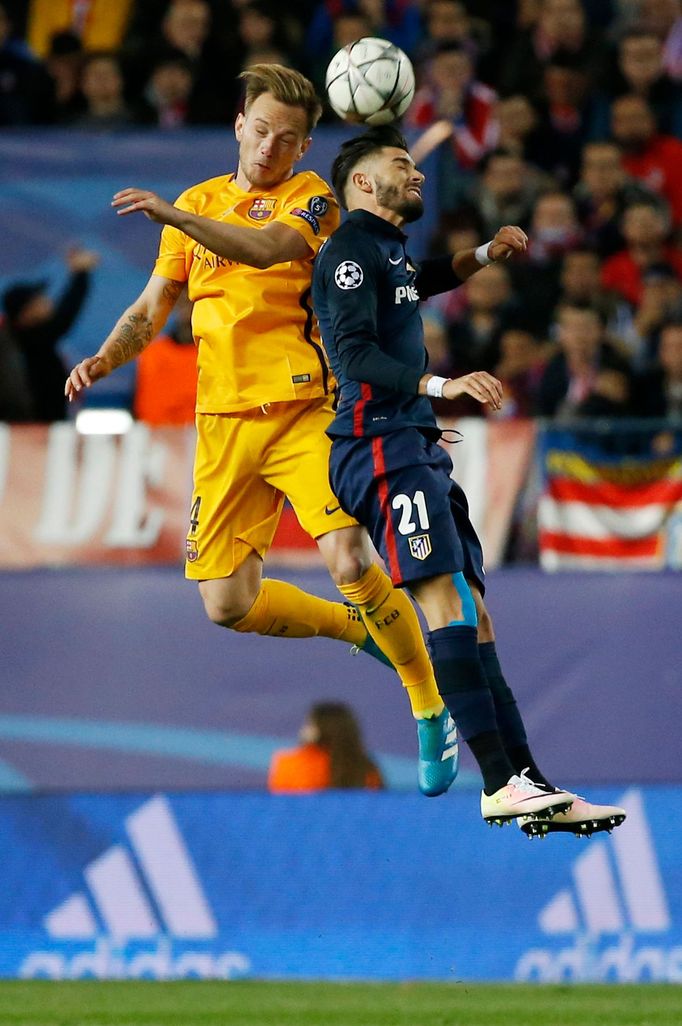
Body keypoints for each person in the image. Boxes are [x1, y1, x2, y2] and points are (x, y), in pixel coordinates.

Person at [64, 64, 457, 799]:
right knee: (227, 603)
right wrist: (104, 357)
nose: (271, 147)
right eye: (262, 130)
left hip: (303, 411)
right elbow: (152, 311)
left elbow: (269, 250)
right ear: (240, 126)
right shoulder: (197, 202)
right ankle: (358, 631)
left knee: (346, 553)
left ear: (306, 148)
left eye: (288, 138)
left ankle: (430, 702)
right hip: (223, 426)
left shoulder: (311, 201)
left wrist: (177, 220)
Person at [311, 123, 626, 837]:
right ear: (362, 183)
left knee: (476, 617)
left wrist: (484, 254)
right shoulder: (349, 253)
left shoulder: (386, 251)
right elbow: (353, 356)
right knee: (443, 607)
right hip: (378, 447)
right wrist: (438, 381)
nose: (417, 173)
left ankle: (531, 781)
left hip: (414, 447)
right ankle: (496, 783)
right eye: (401, 164)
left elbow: (419, 282)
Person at [3, 246, 99, 422]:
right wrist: (80, 274)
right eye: (38, 300)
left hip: (39, 428)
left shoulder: (31, 342)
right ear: (25, 314)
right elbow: (64, 316)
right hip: (30, 431)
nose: (47, 301)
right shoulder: (28, 340)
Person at [268, 701, 384, 792]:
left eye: (309, 724)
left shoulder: (290, 764)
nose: (303, 729)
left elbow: (282, 805)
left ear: (320, 730)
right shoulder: (366, 767)